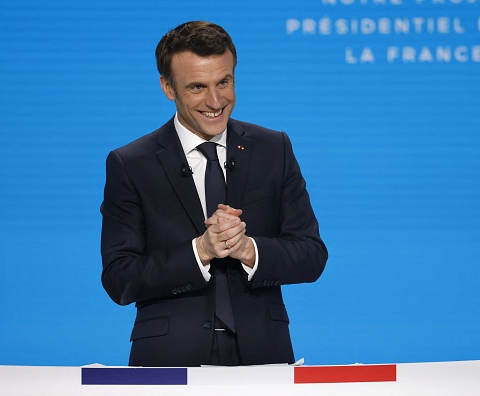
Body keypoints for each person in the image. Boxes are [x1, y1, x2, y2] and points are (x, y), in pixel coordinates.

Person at [100, 21, 328, 367]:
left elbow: (312, 255)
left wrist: (248, 249)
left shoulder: (273, 149)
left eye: (224, 82)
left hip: (263, 356)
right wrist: (201, 250)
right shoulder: (131, 164)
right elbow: (120, 278)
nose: (215, 100)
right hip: (169, 358)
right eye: (197, 87)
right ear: (168, 87)